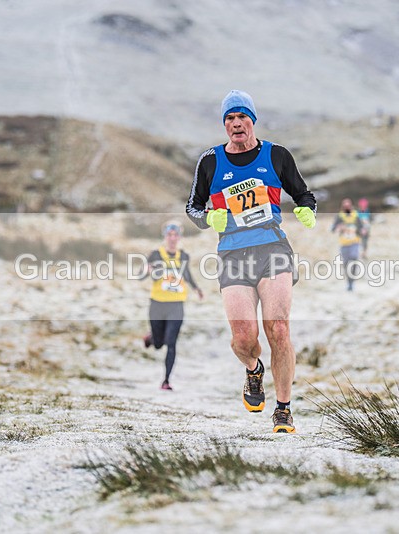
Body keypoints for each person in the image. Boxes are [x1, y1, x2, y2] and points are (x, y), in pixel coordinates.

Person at [185, 90, 317, 433]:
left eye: (242, 116)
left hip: (273, 249)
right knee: (244, 337)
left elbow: (303, 193)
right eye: (229, 118)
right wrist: (207, 220)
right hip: (233, 253)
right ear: (225, 125)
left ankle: (284, 409)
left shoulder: (277, 156)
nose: (235, 123)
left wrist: (306, 208)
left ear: (252, 121)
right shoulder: (210, 161)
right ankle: (254, 370)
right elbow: (193, 207)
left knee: (279, 329)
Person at [143, 221, 204, 391]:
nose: (172, 238)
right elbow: (145, 275)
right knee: (158, 344)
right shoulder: (156, 254)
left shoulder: (183, 256)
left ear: (179, 237)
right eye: (169, 235)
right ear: (165, 236)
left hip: (176, 305)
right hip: (157, 304)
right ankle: (152, 338)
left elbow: (187, 274)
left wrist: (196, 288)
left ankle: (166, 381)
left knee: (171, 342)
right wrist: (148, 270)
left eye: (175, 235)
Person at [331, 198, 366, 291]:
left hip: (355, 242)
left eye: (348, 205)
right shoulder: (339, 216)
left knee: (354, 259)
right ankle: (349, 282)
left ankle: (352, 280)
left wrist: (362, 230)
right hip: (344, 243)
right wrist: (338, 227)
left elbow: (361, 227)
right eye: (345, 206)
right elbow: (333, 229)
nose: (347, 207)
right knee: (346, 264)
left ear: (351, 206)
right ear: (342, 207)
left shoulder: (356, 215)